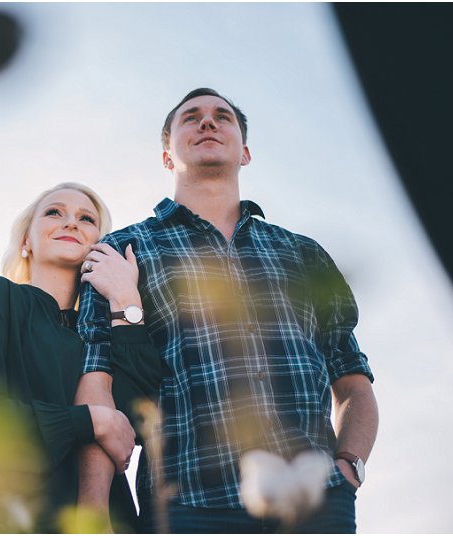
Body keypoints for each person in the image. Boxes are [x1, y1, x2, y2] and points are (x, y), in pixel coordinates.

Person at [75, 88, 379, 533]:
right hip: (188, 505)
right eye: (191, 117)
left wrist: (348, 469)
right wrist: (91, 515)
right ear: (166, 156)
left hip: (315, 503)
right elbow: (96, 385)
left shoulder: (303, 253)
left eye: (222, 117)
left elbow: (352, 381)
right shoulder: (122, 251)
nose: (208, 123)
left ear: (246, 152)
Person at [0, 182, 163, 533]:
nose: (71, 223)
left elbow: (135, 421)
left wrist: (126, 301)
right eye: (54, 212)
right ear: (25, 242)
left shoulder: (107, 328)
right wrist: (89, 421)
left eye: (86, 218)